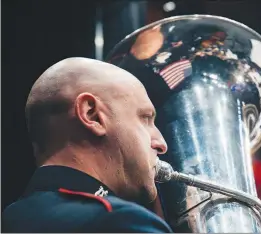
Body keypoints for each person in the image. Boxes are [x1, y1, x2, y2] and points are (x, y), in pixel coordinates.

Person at [2, 57, 173, 233]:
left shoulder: (12, 218)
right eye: (145, 118)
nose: (161, 144)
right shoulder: (121, 222)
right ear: (92, 115)